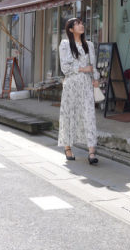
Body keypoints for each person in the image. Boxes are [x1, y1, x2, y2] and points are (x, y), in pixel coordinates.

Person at [58, 17, 100, 165]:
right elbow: (65, 68)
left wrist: (96, 78)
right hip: (71, 85)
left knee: (89, 115)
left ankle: (91, 152)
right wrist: (82, 69)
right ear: (71, 29)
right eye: (77, 24)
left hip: (86, 85)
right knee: (69, 115)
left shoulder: (89, 45)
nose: (81, 25)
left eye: (81, 23)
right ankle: (67, 147)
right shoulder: (65, 45)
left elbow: (93, 65)